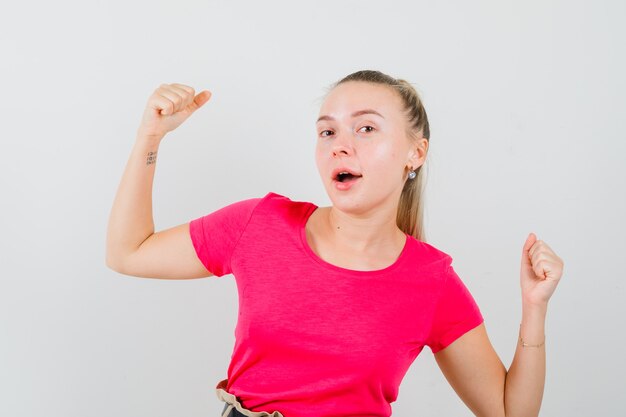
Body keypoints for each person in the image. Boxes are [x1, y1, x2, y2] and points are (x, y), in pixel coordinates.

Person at [106, 70, 564, 417]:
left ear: (415, 153)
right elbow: (129, 252)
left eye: (366, 128)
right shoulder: (260, 224)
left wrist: (534, 307)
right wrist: (151, 137)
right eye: (328, 131)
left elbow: (508, 412)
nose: (340, 146)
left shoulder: (431, 281)